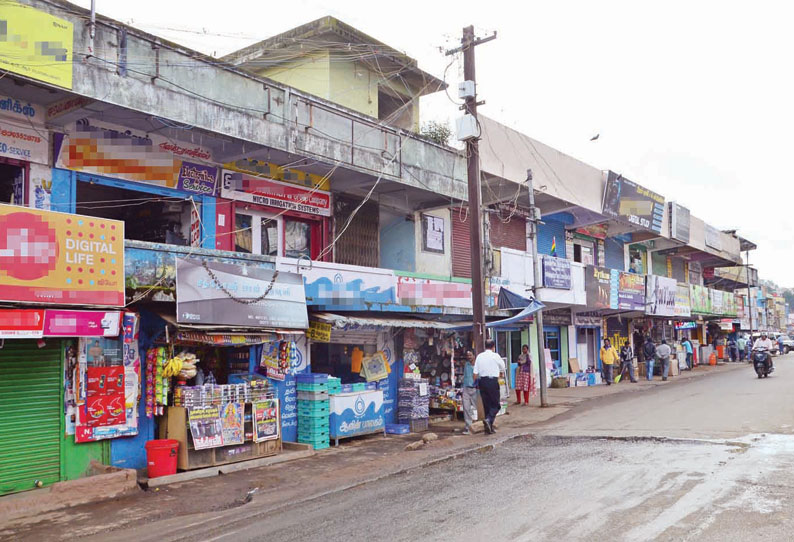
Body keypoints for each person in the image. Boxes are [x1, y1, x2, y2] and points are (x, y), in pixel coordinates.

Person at [473, 339, 505, 435]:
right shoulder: (496, 356)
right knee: (496, 405)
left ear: (485, 346)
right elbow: (503, 367)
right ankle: (489, 419)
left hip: (482, 382)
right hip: (492, 381)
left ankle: (488, 428)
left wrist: (474, 384)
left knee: (487, 405)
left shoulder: (479, 356)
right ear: (493, 346)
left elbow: (475, 373)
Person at [461, 350, 477, 435]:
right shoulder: (466, 364)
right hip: (466, 388)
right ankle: (468, 427)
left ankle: (478, 425)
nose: (469, 357)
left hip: (475, 389)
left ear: (474, 355)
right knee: (466, 408)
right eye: (467, 355)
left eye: (470, 355)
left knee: (476, 408)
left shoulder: (477, 365)